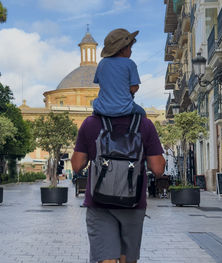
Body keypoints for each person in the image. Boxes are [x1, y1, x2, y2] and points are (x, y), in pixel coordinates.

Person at [71, 114, 165, 263]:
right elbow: (158, 169)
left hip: (99, 203)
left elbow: (76, 166)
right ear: (132, 91)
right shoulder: (144, 124)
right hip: (133, 203)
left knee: (106, 259)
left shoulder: (90, 123)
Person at [93, 28, 146, 117]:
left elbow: (102, 83)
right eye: (130, 47)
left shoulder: (101, 64)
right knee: (143, 114)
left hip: (101, 108)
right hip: (125, 108)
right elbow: (134, 88)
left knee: (92, 118)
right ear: (122, 49)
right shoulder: (130, 63)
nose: (131, 51)